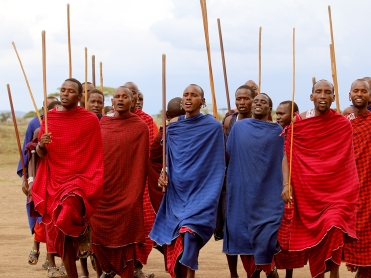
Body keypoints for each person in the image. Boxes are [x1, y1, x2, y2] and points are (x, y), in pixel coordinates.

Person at [281, 80, 359, 278]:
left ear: (333, 97)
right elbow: (287, 156)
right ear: (311, 97)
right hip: (308, 193)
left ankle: (335, 275)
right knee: (318, 239)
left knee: (334, 227)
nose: (323, 96)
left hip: (336, 194)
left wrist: (350, 188)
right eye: (318, 92)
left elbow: (347, 161)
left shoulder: (342, 125)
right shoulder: (298, 123)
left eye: (327, 92)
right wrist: (286, 184)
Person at [150, 84, 225, 278]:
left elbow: (217, 162)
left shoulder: (213, 127)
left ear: (203, 101)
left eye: (194, 95)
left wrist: (213, 190)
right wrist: (164, 173)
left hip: (203, 190)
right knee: (178, 236)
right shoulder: (173, 127)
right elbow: (169, 158)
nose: (189, 98)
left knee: (190, 233)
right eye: (185, 95)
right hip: (178, 190)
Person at [32, 78, 104, 278]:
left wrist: (93, 178)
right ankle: (73, 272)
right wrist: (41, 145)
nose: (64, 94)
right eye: (62, 90)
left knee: (65, 216)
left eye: (70, 91)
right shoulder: (49, 118)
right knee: (59, 231)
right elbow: (40, 154)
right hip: (55, 181)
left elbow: (95, 153)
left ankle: (83, 231)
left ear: (80, 96)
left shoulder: (89, 119)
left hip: (81, 180)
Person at [90, 86, 149, 278]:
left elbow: (141, 162)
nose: (121, 99)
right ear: (112, 101)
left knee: (126, 238)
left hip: (128, 192)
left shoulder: (140, 127)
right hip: (103, 191)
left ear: (133, 102)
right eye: (117, 97)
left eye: (125, 97)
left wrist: (135, 193)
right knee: (98, 235)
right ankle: (104, 271)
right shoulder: (103, 124)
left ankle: (127, 273)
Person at [223, 93, 283, 278]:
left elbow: (282, 159)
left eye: (263, 102)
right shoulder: (240, 127)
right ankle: (254, 272)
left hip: (267, 190)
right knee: (240, 230)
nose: (258, 104)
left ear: (269, 109)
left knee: (267, 230)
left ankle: (267, 267)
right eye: (255, 101)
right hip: (241, 188)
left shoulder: (277, 131)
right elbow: (230, 153)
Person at [214, 85, 256, 278]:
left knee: (251, 229)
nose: (241, 102)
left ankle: (253, 272)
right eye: (238, 98)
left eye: (245, 99)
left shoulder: (259, 120)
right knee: (230, 227)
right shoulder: (229, 121)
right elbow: (223, 151)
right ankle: (233, 274)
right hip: (230, 182)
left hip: (253, 183)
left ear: (254, 100)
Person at [16, 96, 58, 268]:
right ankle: (38, 248)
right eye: (47, 109)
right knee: (40, 214)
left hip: (58, 177)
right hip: (39, 176)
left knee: (55, 217)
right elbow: (29, 154)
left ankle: (52, 257)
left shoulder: (64, 125)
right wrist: (28, 178)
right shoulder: (35, 126)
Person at [123, 82, 156, 277]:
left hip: (141, 180)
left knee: (143, 223)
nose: (134, 98)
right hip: (117, 179)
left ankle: (137, 266)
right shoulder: (111, 120)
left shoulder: (146, 121)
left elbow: (151, 152)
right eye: (129, 94)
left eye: (136, 94)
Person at [274, 101, 306, 278]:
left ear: (294, 115)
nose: (278, 117)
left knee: (290, 234)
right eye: (276, 113)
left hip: (297, 189)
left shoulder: (301, 132)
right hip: (274, 187)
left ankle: (288, 275)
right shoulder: (276, 133)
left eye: (281, 114)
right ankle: (270, 269)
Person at [343, 79, 371, 278]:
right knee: (356, 233)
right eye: (356, 90)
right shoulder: (343, 123)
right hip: (350, 189)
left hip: (369, 186)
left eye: (364, 91)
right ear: (349, 95)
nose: (359, 94)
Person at [148, 97, 185, 214]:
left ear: (166, 115)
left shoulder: (163, 135)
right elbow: (154, 161)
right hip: (167, 184)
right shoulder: (163, 136)